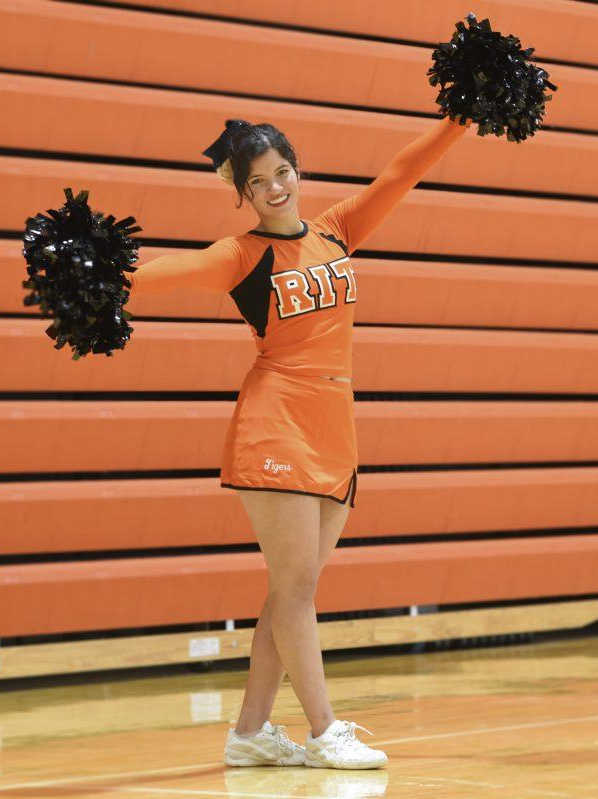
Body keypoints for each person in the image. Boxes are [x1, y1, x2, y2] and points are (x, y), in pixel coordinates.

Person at [129, 113, 471, 769]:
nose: (276, 187)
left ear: (296, 170)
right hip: (275, 423)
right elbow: (164, 273)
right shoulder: (242, 256)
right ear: (246, 194)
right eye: (259, 182)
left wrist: (456, 122)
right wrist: (97, 275)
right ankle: (324, 729)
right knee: (295, 591)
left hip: (335, 429)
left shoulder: (339, 229)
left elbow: (401, 173)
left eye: (282, 172)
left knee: (291, 589)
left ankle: (250, 730)